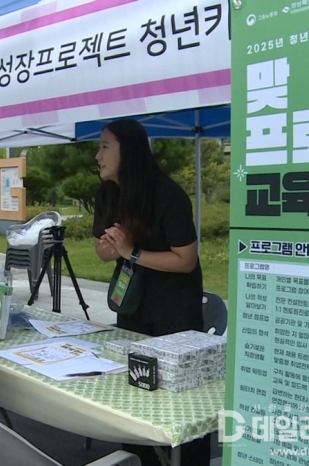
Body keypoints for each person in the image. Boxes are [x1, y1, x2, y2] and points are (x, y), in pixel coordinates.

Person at [92, 119, 210, 466]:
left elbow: (186, 260)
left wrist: (131, 252)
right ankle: (142, 458)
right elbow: (102, 251)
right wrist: (111, 248)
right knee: (134, 388)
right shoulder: (108, 193)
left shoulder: (167, 195)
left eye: (104, 146)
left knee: (181, 397)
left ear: (128, 151)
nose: (97, 155)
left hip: (175, 310)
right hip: (133, 305)